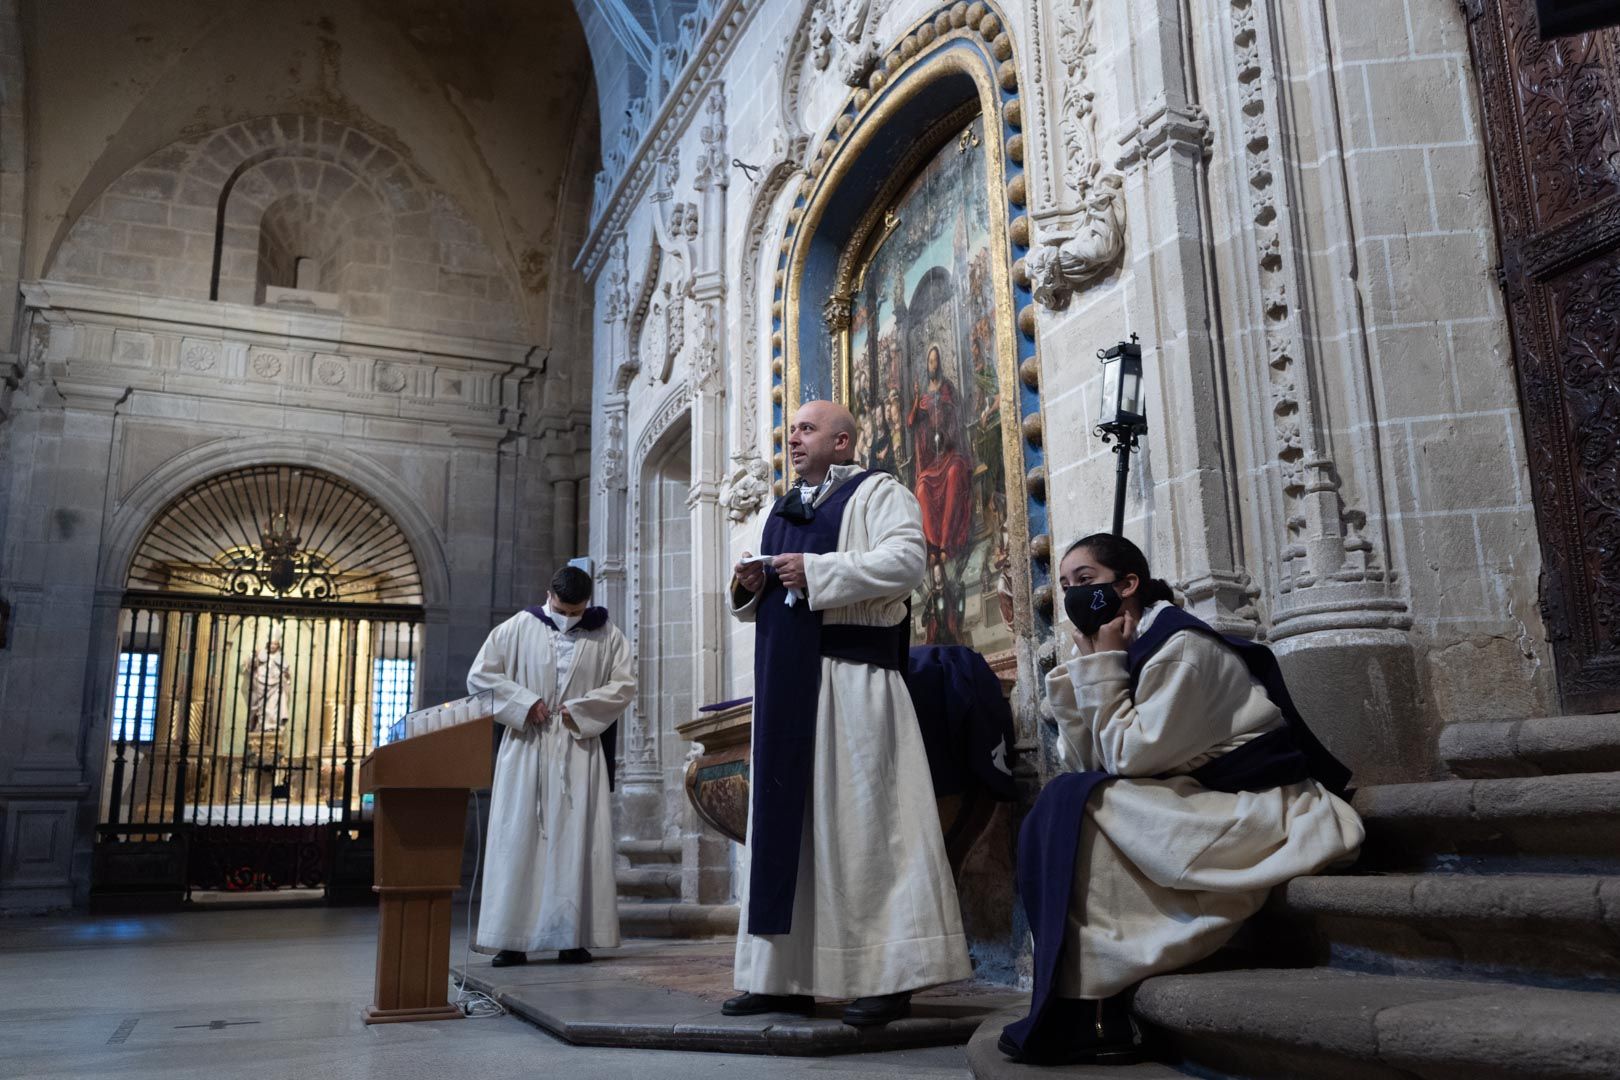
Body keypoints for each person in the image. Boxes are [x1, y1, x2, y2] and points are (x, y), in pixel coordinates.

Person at [1000, 534, 1364, 1066]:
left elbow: (1126, 758)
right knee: (1071, 800)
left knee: (1088, 807)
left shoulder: (1182, 650)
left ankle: (1100, 1006)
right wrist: (1090, 667)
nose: (1073, 597)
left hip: (1266, 809)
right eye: (1064, 587)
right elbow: (1086, 762)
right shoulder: (1129, 647)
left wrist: (1104, 667)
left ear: (1127, 585)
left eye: (1085, 582)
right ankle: (1090, 1003)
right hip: (1198, 798)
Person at [727, 399, 972, 1027]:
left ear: (842, 442)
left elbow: (905, 562)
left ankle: (889, 975)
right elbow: (784, 594)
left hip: (852, 683)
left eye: (807, 429)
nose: (793, 439)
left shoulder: (878, 492)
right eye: (791, 431)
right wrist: (755, 587)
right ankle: (782, 978)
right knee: (796, 835)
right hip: (789, 688)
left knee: (868, 829)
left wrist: (814, 570)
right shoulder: (783, 512)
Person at [468, 565, 636, 967]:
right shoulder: (518, 627)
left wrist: (578, 709)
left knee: (574, 841)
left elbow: (624, 684)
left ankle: (571, 937)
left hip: (578, 744)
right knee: (519, 838)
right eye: (562, 609)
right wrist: (525, 703)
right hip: (527, 743)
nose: (567, 619)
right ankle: (512, 939)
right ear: (549, 595)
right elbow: (480, 677)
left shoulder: (606, 634)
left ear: (587, 603)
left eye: (576, 612)